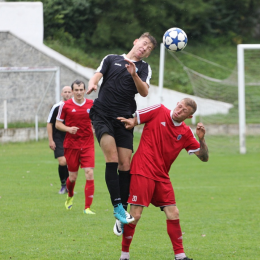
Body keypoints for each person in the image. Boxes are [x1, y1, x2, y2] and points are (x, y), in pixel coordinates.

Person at [117, 98, 209, 260]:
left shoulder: (186, 132)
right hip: (142, 169)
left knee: (173, 213)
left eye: (184, 111)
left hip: (161, 176)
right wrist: (131, 122)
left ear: (189, 117)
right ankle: (124, 255)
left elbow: (204, 158)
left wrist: (201, 139)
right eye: (179, 106)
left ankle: (180, 256)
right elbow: (134, 119)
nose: (179, 110)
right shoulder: (158, 110)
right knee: (136, 215)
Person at [87, 32, 157, 226]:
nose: (144, 48)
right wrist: (92, 85)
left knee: (125, 165)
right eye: (143, 44)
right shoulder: (112, 58)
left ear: (148, 54)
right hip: (102, 114)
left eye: (148, 48)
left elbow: (144, 92)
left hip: (124, 118)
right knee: (112, 158)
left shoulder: (144, 68)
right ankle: (117, 206)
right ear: (135, 42)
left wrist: (134, 74)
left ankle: (122, 212)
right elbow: (97, 75)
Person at [56, 80, 95, 214]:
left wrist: (95, 128)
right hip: (71, 145)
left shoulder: (92, 104)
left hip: (88, 144)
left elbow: (97, 118)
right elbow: (57, 124)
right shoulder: (65, 106)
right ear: (72, 91)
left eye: (81, 89)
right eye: (76, 90)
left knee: (89, 173)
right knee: (72, 177)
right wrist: (68, 129)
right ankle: (70, 195)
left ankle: (87, 208)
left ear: (85, 90)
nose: (79, 92)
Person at [47, 86, 73, 194]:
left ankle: (68, 187)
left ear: (72, 93)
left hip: (71, 138)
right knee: (63, 161)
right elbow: (49, 123)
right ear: (62, 94)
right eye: (65, 92)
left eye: (69, 92)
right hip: (58, 138)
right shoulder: (57, 107)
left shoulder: (74, 106)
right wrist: (50, 140)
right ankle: (63, 186)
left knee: (70, 163)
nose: (67, 94)